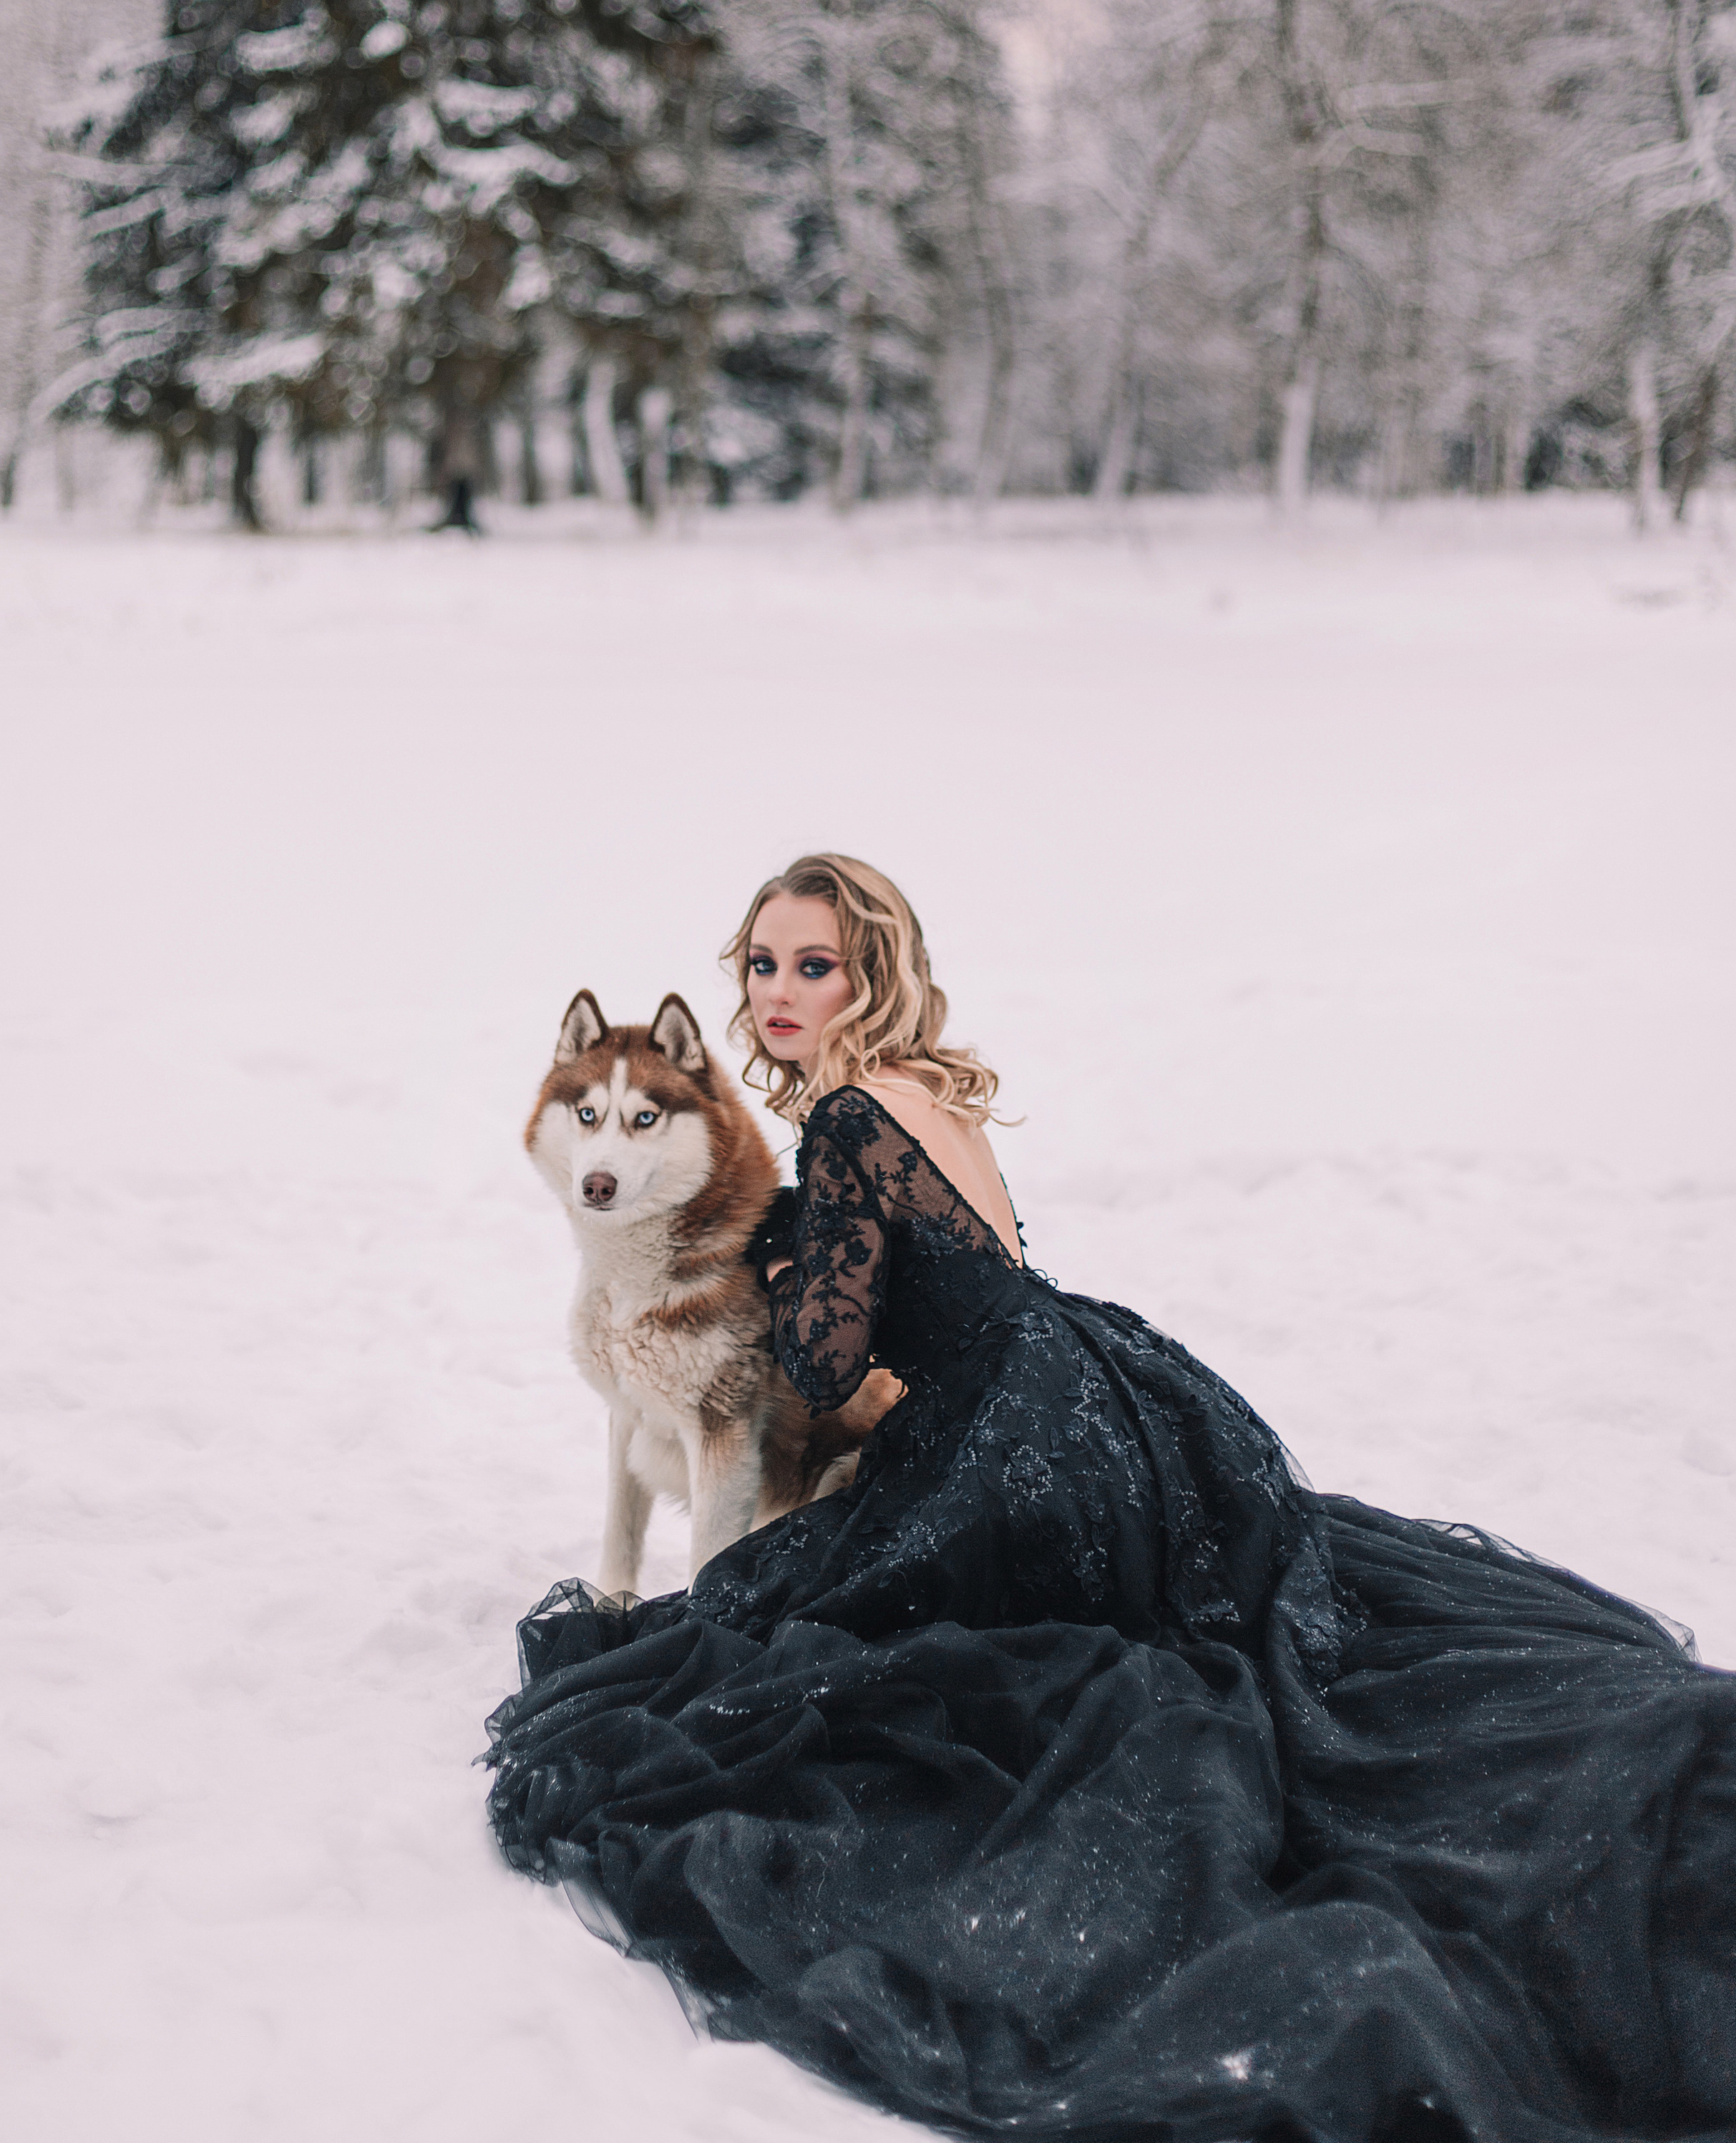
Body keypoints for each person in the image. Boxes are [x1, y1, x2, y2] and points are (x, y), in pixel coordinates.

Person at [484, 852, 1734, 2141]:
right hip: (1110, 1391)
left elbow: (826, 1362)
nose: (785, 990)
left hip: (1009, 1439)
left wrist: (791, 1256)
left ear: (876, 974)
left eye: (819, 965)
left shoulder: (851, 1118)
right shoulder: (927, 1089)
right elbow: (986, 1270)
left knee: (890, 1669)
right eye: (765, 964)